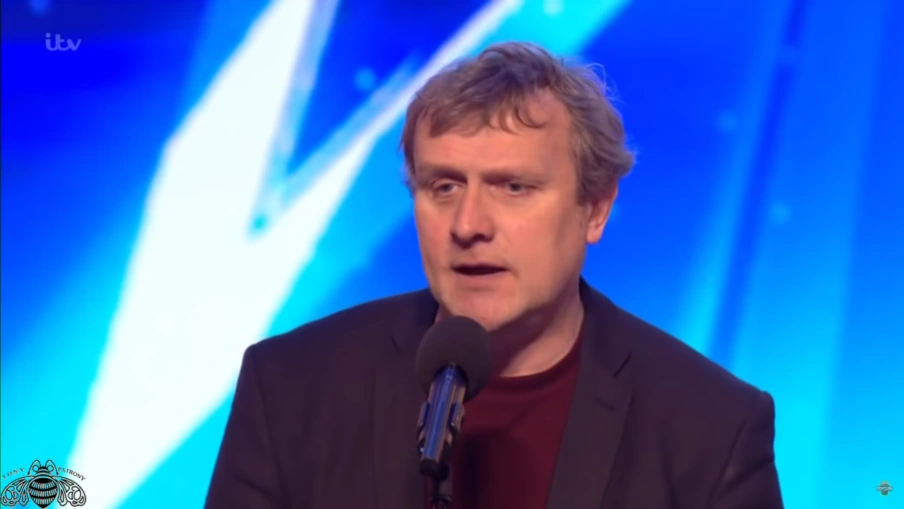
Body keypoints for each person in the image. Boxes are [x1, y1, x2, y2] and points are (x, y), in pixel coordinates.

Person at [204, 42, 784, 509]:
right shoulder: (290, 387)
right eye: (444, 186)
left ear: (595, 208)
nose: (468, 225)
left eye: (513, 187)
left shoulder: (712, 428)